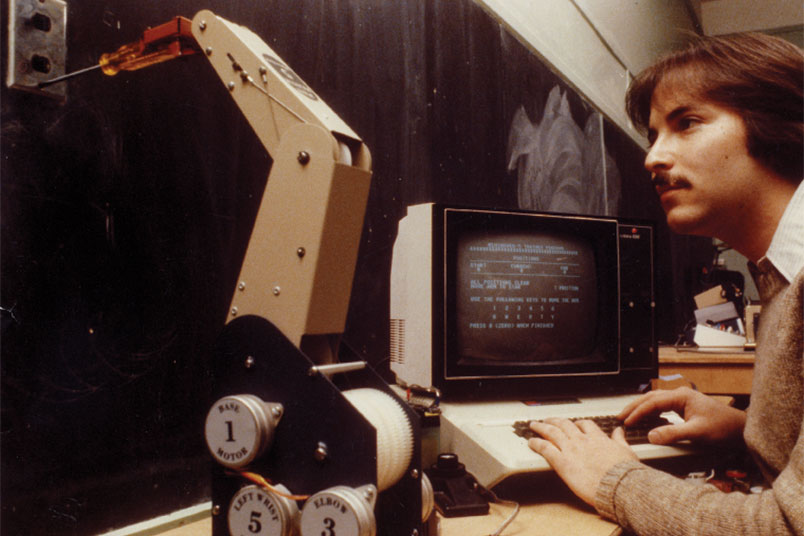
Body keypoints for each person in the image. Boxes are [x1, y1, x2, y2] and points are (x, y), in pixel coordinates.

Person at [527, 32, 804, 535]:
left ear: (780, 127)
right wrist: (744, 431)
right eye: (655, 135)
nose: (653, 158)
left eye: (687, 124)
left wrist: (614, 478)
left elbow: (785, 528)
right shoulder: (781, 275)